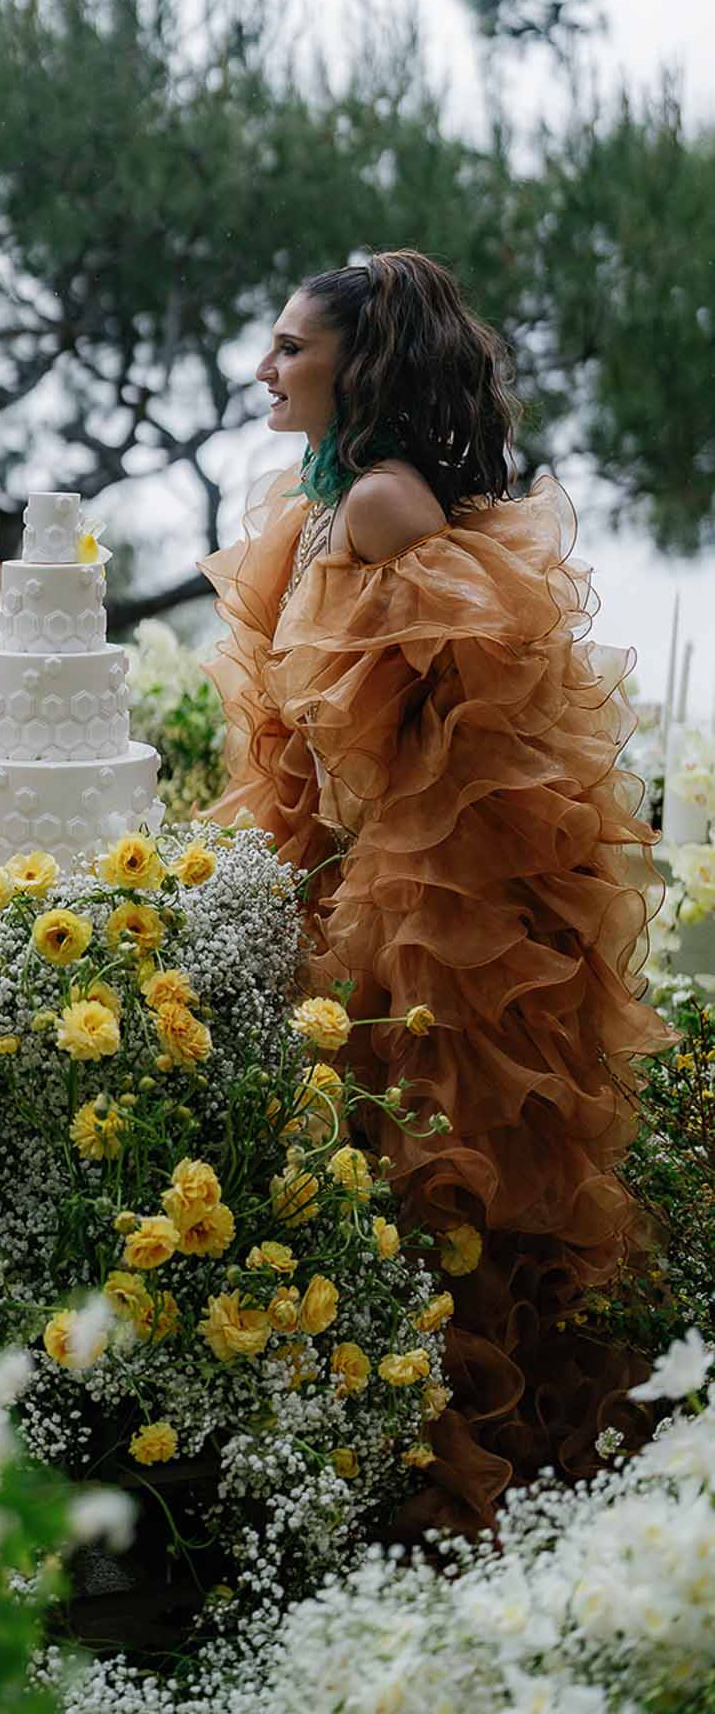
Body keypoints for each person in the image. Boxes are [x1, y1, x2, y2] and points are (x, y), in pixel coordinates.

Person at [201, 248, 670, 1531]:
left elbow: (489, 743)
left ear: (356, 365)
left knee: (434, 1187)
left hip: (427, 905)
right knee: (376, 1184)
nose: (265, 367)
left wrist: (392, 888)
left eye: (291, 347)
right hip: (360, 885)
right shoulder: (325, 503)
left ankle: (466, 1476)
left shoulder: (383, 506)